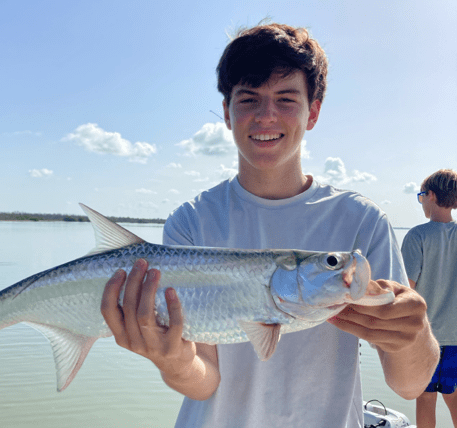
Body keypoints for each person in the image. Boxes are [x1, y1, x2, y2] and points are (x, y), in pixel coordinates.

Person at [101, 22, 440, 427]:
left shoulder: (361, 221)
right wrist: (173, 361)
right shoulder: (192, 220)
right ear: (226, 112)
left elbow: (409, 384)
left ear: (312, 111)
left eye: (285, 98)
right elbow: (204, 381)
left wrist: (415, 334)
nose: (266, 116)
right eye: (249, 99)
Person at [401, 169, 457, 427]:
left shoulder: (417, 236)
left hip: (426, 337)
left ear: (431, 195)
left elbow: (406, 290)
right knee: (454, 396)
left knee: (425, 397)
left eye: (421, 195)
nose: (421, 201)